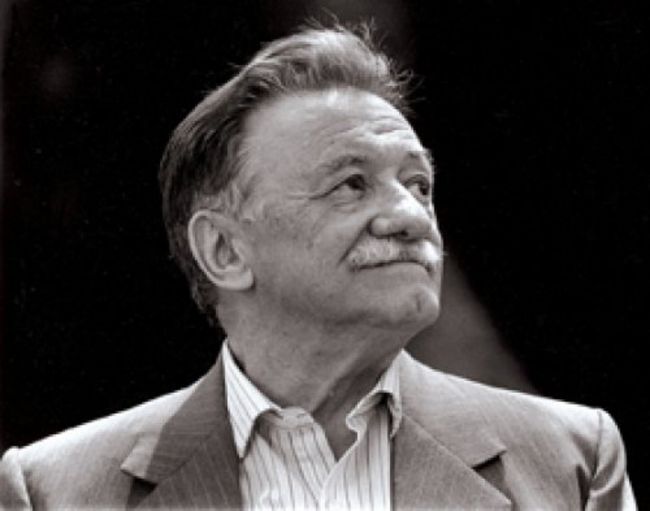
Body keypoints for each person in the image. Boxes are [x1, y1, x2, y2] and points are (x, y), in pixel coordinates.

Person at [0, 23, 635, 510]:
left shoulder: (572, 462)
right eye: (351, 184)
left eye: (418, 184)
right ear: (224, 251)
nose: (409, 216)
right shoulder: (55, 490)